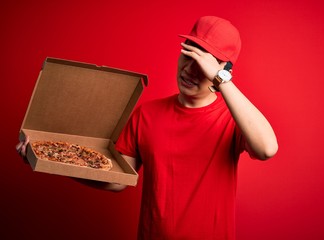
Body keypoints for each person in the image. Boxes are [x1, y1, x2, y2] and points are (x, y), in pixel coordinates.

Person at [17, 16, 278, 239]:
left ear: (223, 71)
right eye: (188, 55)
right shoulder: (147, 114)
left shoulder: (233, 119)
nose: (190, 70)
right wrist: (50, 161)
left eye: (203, 64)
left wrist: (220, 78)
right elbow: (118, 182)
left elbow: (266, 149)